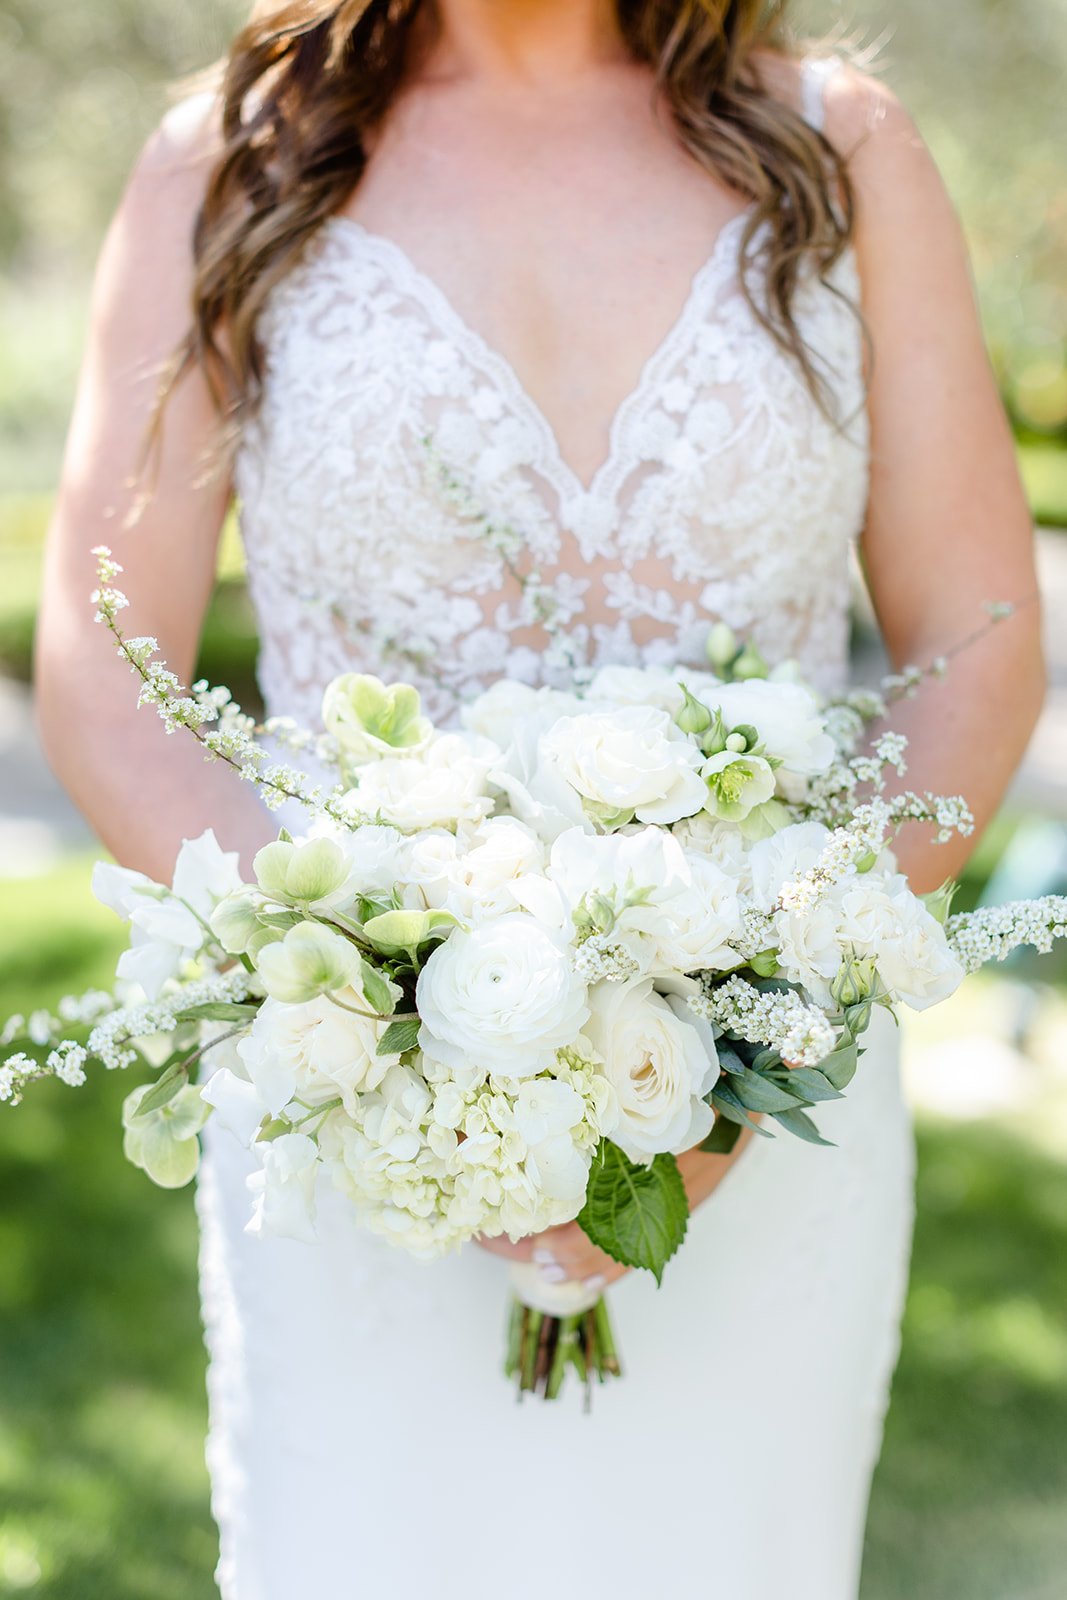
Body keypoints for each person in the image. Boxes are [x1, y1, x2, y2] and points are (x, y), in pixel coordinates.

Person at [35, 2, 1044, 1596]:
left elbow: (979, 654)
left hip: (767, 1126)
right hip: (355, 1139)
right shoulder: (231, 167)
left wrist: (751, 1042)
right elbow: (103, 665)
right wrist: (371, 1015)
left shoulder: (841, 150)